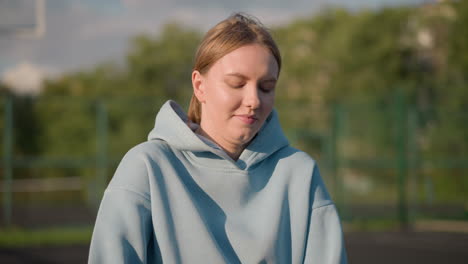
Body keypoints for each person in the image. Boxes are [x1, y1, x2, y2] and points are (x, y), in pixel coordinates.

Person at [88, 13, 347, 264]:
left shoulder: (299, 173)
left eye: (266, 87)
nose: (254, 100)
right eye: (237, 84)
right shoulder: (147, 167)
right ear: (200, 86)